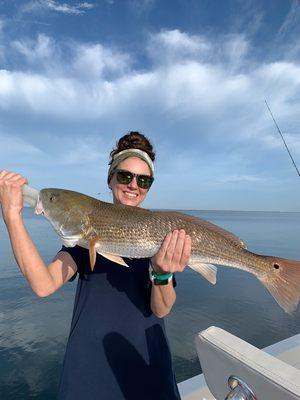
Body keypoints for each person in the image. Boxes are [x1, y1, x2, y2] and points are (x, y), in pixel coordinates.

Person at [0, 131, 192, 399]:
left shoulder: (162, 238)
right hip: (90, 376)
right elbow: (43, 284)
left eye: (144, 180)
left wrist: (162, 273)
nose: (133, 185)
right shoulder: (81, 242)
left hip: (149, 370)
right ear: (110, 179)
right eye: (125, 176)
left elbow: (161, 309)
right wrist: (12, 216)